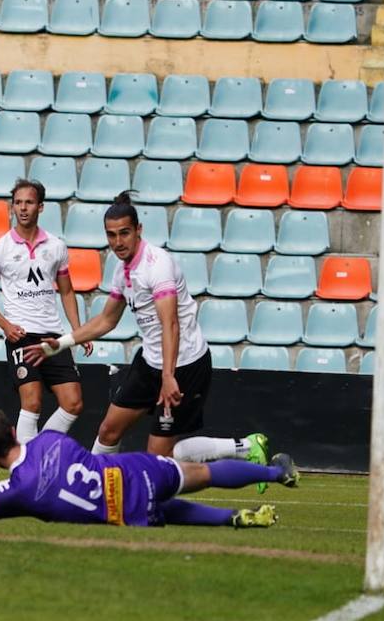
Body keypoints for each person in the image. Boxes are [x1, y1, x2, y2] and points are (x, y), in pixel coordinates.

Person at [22, 193, 269, 489]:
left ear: (138, 230)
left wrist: (168, 376)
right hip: (150, 361)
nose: (117, 242)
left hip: (184, 364)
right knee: (108, 431)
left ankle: (245, 447)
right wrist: (60, 343)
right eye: (111, 235)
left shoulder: (157, 265)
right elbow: (107, 320)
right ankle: (93, 492)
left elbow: (171, 325)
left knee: (161, 460)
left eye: (124, 233)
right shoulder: (121, 270)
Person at [0, 408, 293, 527]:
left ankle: (233, 521)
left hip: (119, 511)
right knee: (201, 474)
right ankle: (277, 473)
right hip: (132, 472)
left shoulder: (13, 493)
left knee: (163, 512)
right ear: (13, 433)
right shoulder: (49, 440)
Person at [0, 180, 91, 445]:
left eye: (29, 202)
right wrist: (6, 326)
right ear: (12, 207)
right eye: (18, 203)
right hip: (22, 335)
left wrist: (77, 332)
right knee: (32, 401)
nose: (23, 208)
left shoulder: (56, 246)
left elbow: (66, 291)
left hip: (53, 336)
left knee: (73, 403)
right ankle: (29, 465)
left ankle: (37, 452)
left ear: (40, 206)